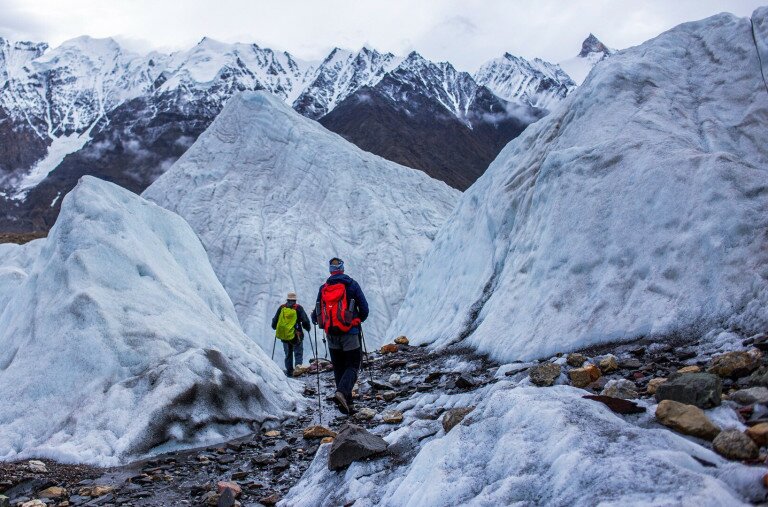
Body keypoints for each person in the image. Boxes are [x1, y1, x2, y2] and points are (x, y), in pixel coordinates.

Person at [312, 257, 369, 414]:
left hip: (331, 334)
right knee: (353, 365)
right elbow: (364, 308)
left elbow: (316, 313)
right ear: (342, 269)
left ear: (330, 271)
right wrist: (356, 321)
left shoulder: (324, 288)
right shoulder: (351, 285)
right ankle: (342, 393)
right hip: (350, 333)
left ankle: (347, 406)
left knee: (339, 367)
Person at [271, 291, 311, 377]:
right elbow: (305, 320)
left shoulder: (282, 308)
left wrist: (274, 327)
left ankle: (289, 372)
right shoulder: (298, 308)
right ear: (295, 300)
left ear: (287, 299)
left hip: (285, 336)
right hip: (297, 335)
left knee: (288, 353)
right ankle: (298, 372)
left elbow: (275, 320)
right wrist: (307, 328)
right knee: (298, 353)